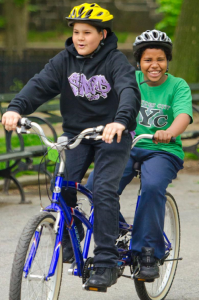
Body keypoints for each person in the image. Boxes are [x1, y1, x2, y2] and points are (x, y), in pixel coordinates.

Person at [2, 3, 141, 290]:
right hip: (77, 135)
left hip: (111, 135)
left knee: (102, 188)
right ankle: (69, 236)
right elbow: (39, 85)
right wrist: (16, 108)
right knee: (62, 185)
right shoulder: (63, 60)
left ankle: (105, 260)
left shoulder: (115, 62)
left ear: (102, 34)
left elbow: (129, 90)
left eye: (87, 32)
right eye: (76, 31)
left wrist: (120, 121)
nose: (79, 37)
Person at [85, 29, 193, 280]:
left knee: (153, 186)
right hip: (126, 146)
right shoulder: (129, 79)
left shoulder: (177, 85)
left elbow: (183, 116)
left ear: (167, 61)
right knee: (93, 186)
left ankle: (148, 252)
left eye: (160, 59)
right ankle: (120, 229)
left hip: (162, 150)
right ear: (138, 62)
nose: (154, 65)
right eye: (148, 60)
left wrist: (169, 131)